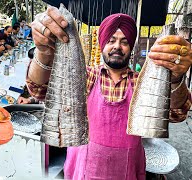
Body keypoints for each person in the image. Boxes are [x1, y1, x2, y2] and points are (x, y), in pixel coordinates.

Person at [28, 6, 192, 180]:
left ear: (131, 47)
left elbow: (177, 114)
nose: (117, 47)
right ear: (102, 44)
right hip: (82, 171)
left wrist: (176, 78)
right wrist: (43, 53)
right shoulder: (85, 76)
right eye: (111, 40)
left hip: (128, 172)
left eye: (124, 42)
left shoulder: (142, 83)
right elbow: (38, 89)